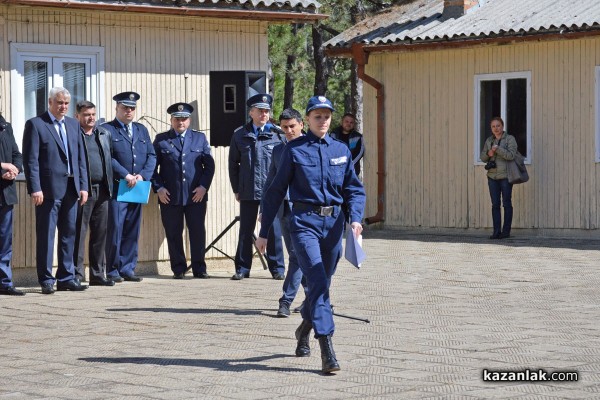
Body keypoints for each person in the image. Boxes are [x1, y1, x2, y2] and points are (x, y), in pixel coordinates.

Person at [256, 96, 366, 374]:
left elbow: (353, 189)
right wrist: (264, 231)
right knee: (316, 279)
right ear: (307, 121)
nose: (323, 120)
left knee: (321, 286)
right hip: (304, 222)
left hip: (334, 226)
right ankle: (327, 346)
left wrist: (355, 220)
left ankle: (304, 328)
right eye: (317, 116)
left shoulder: (340, 150)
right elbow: (275, 191)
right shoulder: (293, 151)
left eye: (327, 116)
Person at [22, 87, 89, 294]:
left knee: (69, 233)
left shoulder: (72, 124)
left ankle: (66, 277)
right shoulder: (36, 124)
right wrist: (35, 188)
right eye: (60, 103)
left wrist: (84, 186)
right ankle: (46, 279)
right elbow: (30, 160)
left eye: (67, 103)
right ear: (50, 102)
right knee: (47, 235)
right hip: (48, 191)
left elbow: (80, 158)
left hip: (72, 189)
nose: (63, 107)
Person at [151, 103, 215, 279]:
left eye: (184, 119)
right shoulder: (161, 139)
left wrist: (203, 187)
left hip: (196, 195)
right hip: (170, 196)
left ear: (189, 120)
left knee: (197, 232)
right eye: (177, 119)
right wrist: (159, 188)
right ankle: (178, 269)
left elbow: (209, 166)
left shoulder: (199, 138)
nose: (181, 122)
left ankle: (199, 268)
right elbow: (151, 168)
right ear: (171, 120)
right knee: (173, 233)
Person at [228, 93, 285, 281]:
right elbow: (233, 164)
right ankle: (242, 268)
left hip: (272, 192)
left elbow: (284, 165)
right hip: (248, 190)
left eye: (267, 111)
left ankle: (277, 268)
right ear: (251, 112)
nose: (264, 114)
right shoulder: (239, 135)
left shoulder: (278, 134)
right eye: (260, 111)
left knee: (273, 230)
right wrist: (237, 188)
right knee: (246, 229)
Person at [102, 92, 156, 283]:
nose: (129, 111)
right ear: (117, 107)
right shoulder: (107, 129)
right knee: (116, 229)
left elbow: (151, 156)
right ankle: (113, 270)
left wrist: (142, 175)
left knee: (132, 229)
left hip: (137, 186)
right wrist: (125, 174)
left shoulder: (141, 130)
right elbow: (108, 157)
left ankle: (128, 268)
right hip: (119, 187)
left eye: (132, 108)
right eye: (125, 107)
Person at [260, 108, 307, 318]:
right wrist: (265, 210)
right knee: (297, 256)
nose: (288, 131)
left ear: (301, 125)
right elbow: (270, 184)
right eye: (285, 127)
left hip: (307, 212)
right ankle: (313, 298)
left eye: (292, 127)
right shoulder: (278, 151)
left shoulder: (312, 146)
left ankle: (286, 300)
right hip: (285, 210)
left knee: (298, 256)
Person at [73, 101, 115, 286]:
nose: (91, 118)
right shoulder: (74, 135)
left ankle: (98, 275)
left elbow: (109, 159)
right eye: (86, 115)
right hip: (83, 191)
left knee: (100, 234)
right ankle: (76, 275)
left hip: (103, 190)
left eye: (93, 114)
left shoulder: (104, 134)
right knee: (79, 234)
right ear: (78, 116)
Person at [480, 116, 517, 239]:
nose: (496, 128)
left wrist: (498, 149)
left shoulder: (510, 139)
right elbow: (483, 157)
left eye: (498, 126)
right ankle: (496, 231)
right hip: (492, 176)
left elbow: (511, 155)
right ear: (491, 128)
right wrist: (488, 153)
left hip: (505, 176)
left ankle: (506, 232)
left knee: (506, 203)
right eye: (493, 126)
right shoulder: (489, 140)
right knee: (495, 204)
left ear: (502, 126)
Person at [0, 115, 25, 295]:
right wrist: (3, 168)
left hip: (6, 193)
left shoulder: (5, 125)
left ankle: (4, 282)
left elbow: (17, 153)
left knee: (4, 242)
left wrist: (15, 168)